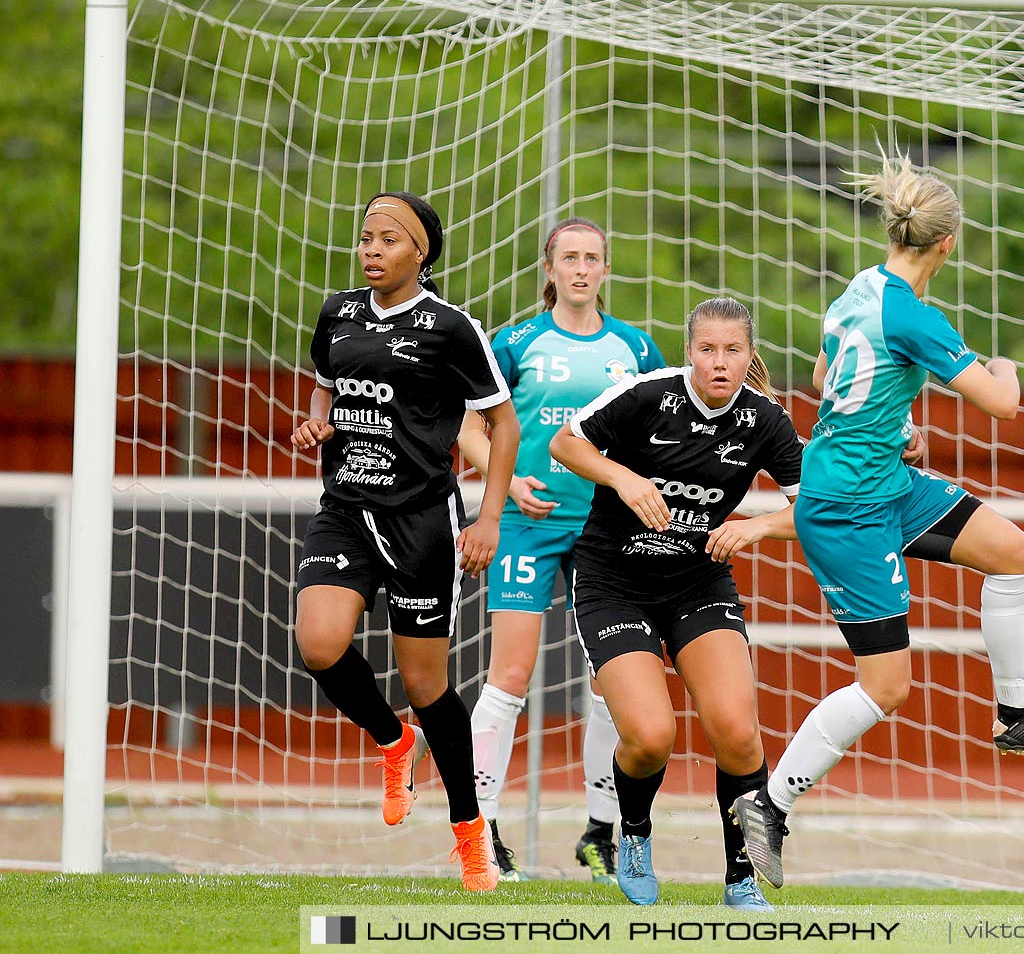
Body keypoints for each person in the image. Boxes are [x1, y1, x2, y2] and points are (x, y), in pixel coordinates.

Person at [731, 149, 1024, 890]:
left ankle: (1017, 714)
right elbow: (1003, 405)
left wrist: (894, 422)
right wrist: (1006, 366)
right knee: (888, 687)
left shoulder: (858, 291)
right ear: (947, 245)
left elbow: (823, 378)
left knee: (1013, 550)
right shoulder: (915, 315)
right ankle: (769, 804)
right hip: (846, 507)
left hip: (884, 480)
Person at [291, 191, 521, 893]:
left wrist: (488, 518)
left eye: (387, 239)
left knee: (427, 684)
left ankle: (470, 836)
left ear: (420, 252)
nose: (370, 250)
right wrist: (316, 426)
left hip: (423, 521)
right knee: (318, 643)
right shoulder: (337, 313)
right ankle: (393, 743)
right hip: (347, 510)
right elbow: (324, 392)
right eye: (365, 237)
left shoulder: (451, 328)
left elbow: (503, 424)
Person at [547, 295, 804, 909]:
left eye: (733, 350)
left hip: (698, 583)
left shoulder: (766, 420)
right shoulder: (646, 394)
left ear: (749, 356)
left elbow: (815, 511)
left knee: (739, 734)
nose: (720, 361)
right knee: (650, 736)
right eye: (708, 349)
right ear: (690, 352)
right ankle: (633, 834)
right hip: (614, 582)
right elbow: (565, 444)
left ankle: (741, 877)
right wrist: (624, 477)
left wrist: (758, 526)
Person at [457, 218, 665, 883]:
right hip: (526, 523)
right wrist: (509, 480)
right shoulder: (514, 341)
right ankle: (481, 833)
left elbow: (660, 428)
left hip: (605, 531)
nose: (581, 268)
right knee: (510, 676)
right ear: (549, 269)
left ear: (607, 270)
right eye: (569, 257)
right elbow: (469, 424)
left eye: (592, 258)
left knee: (610, 681)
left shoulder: (635, 347)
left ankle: (600, 833)